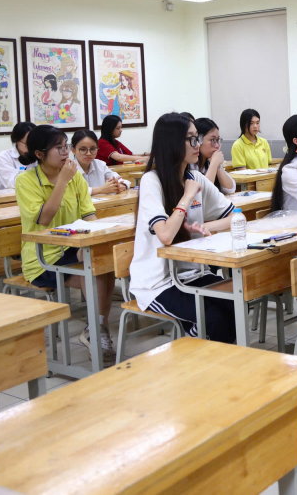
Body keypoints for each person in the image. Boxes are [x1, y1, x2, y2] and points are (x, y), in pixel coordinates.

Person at [128, 113, 239, 342]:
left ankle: (218, 356)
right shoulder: (152, 181)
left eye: (197, 137)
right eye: (191, 139)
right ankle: (195, 351)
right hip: (158, 282)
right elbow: (166, 235)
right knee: (213, 318)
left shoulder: (195, 176)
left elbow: (236, 217)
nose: (197, 144)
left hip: (193, 273)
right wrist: (187, 196)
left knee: (237, 303)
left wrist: (201, 226)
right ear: (172, 143)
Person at [15, 125, 117, 361]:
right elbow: (44, 218)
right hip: (43, 256)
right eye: (58, 148)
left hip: (72, 247)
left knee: (103, 264)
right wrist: (62, 181)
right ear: (40, 154)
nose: (65, 153)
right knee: (95, 274)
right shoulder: (26, 181)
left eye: (65, 147)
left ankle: (96, 329)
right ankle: (96, 330)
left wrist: (99, 237)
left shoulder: (75, 177)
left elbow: (89, 214)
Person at [71, 130, 130, 195]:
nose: (88, 153)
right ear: (73, 150)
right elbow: (72, 192)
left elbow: (122, 181)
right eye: (83, 149)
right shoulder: (68, 168)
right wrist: (101, 189)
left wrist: (121, 185)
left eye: (93, 149)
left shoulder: (100, 164)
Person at [193, 117, 235, 193]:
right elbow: (203, 194)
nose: (217, 145)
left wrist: (217, 166)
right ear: (198, 140)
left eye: (217, 140)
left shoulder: (210, 161)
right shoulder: (190, 165)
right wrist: (214, 164)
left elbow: (230, 189)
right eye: (212, 140)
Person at [0, 121, 36, 189]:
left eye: (34, 142)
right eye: (27, 143)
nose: (31, 146)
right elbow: (13, 183)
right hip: (11, 195)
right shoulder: (4, 157)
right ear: (16, 140)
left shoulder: (39, 155)